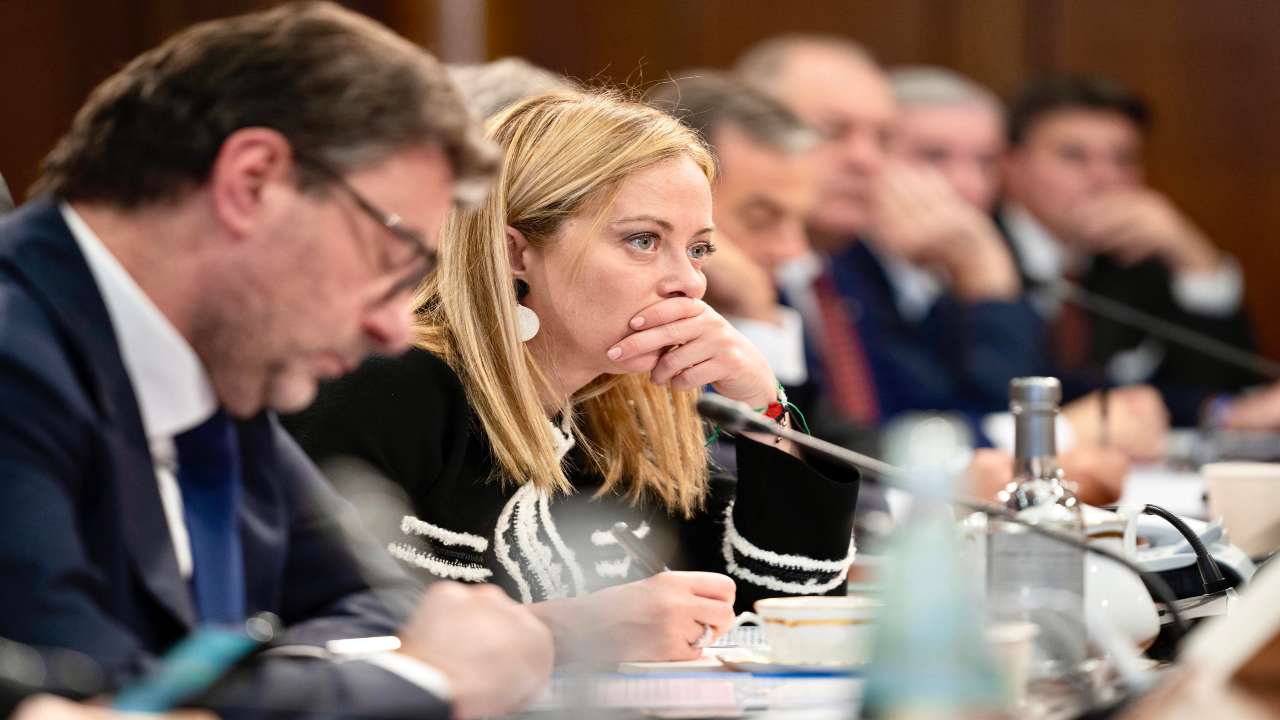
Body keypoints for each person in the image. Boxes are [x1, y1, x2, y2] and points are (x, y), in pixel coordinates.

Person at [0, 4, 552, 720]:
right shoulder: (16, 352)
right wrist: (421, 684)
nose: (393, 329)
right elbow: (92, 689)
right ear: (253, 181)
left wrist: (262, 688)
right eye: (391, 260)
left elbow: (377, 604)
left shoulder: (225, 364)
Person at [287, 89, 861, 664]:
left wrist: (763, 408)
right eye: (643, 240)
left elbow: (785, 614)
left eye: (699, 249)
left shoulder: (629, 409)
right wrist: (562, 633)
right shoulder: (389, 385)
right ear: (515, 254)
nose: (689, 282)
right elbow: (305, 640)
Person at [735, 36, 1042, 426]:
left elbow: (915, 424)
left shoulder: (837, 276)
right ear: (748, 136)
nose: (866, 159)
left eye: (881, 139)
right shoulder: (712, 276)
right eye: (832, 131)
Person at [1000, 75, 1257, 426]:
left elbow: (1226, 388)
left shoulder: (1139, 261)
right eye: (1074, 156)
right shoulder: (973, 257)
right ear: (1011, 165)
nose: (1105, 177)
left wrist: (1196, 260)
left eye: (1123, 159)